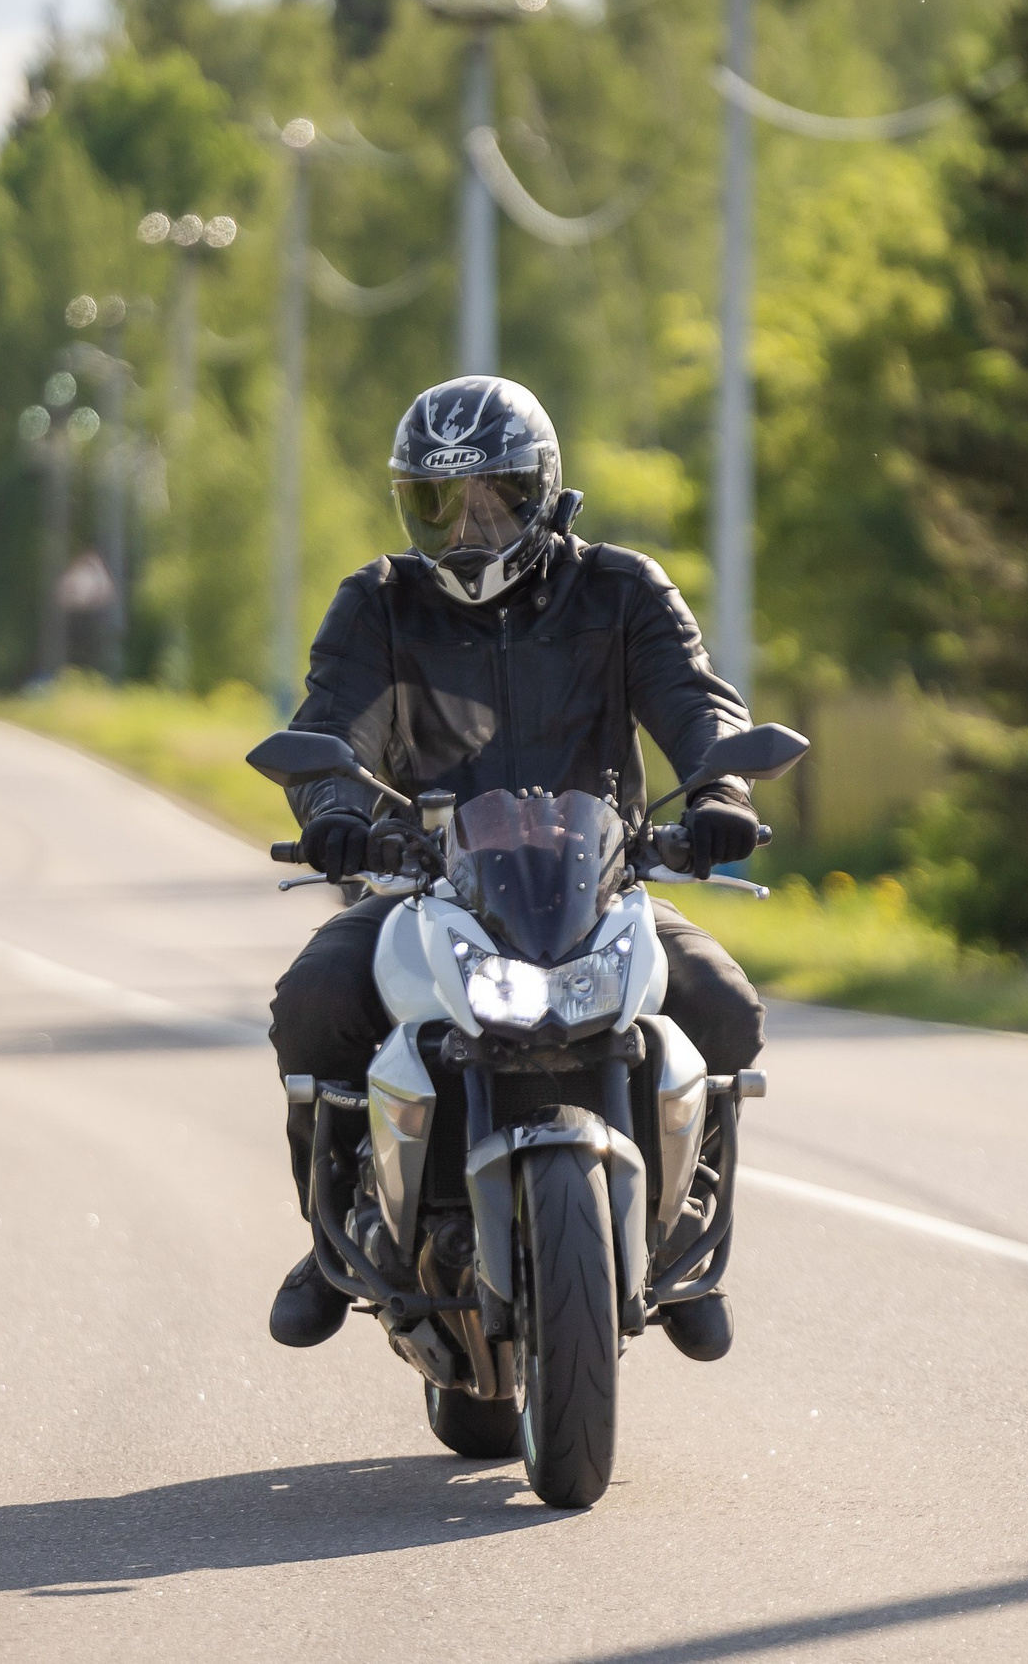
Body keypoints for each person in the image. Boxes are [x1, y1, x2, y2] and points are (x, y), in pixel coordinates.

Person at [267, 376, 766, 1362]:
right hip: (430, 885)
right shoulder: (378, 603)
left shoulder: (620, 589)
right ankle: (327, 1239)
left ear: (541, 489)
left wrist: (719, 797)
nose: (466, 526)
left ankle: (679, 1221)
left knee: (720, 1002)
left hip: (598, 886)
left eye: (492, 495)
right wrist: (335, 812)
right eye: (437, 502)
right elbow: (330, 724)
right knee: (315, 995)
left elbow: (697, 703)